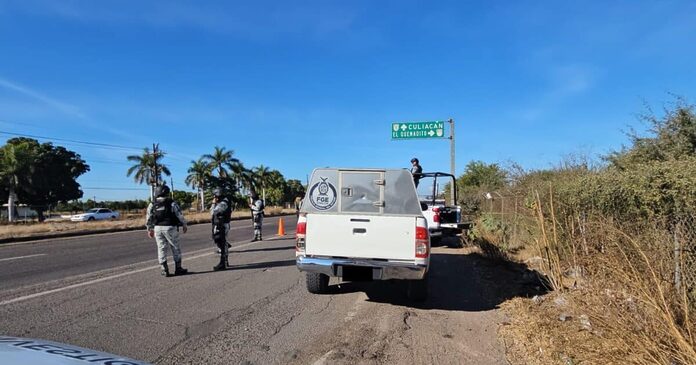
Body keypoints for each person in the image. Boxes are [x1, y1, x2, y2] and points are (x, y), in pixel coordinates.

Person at [146, 184, 188, 277]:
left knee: (161, 248)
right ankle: (178, 268)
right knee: (175, 247)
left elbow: (148, 217)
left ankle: (164, 270)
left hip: (157, 228)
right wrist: (184, 224)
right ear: (166, 192)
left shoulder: (152, 204)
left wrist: (149, 229)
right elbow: (179, 214)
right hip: (170, 228)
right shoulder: (171, 202)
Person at [210, 188, 232, 271]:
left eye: (215, 195)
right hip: (222, 224)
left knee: (221, 243)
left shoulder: (223, 203)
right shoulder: (225, 201)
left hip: (221, 225)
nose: (214, 197)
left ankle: (223, 263)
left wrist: (213, 203)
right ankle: (225, 261)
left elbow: (213, 212)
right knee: (223, 242)